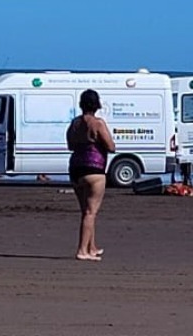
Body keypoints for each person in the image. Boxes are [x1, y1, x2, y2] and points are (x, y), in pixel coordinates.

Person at [67, 89, 115, 262]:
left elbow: (70, 145)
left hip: (76, 168)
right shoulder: (98, 123)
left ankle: (91, 247)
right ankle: (82, 250)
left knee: (86, 211)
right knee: (91, 212)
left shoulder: (75, 123)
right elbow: (111, 146)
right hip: (94, 169)